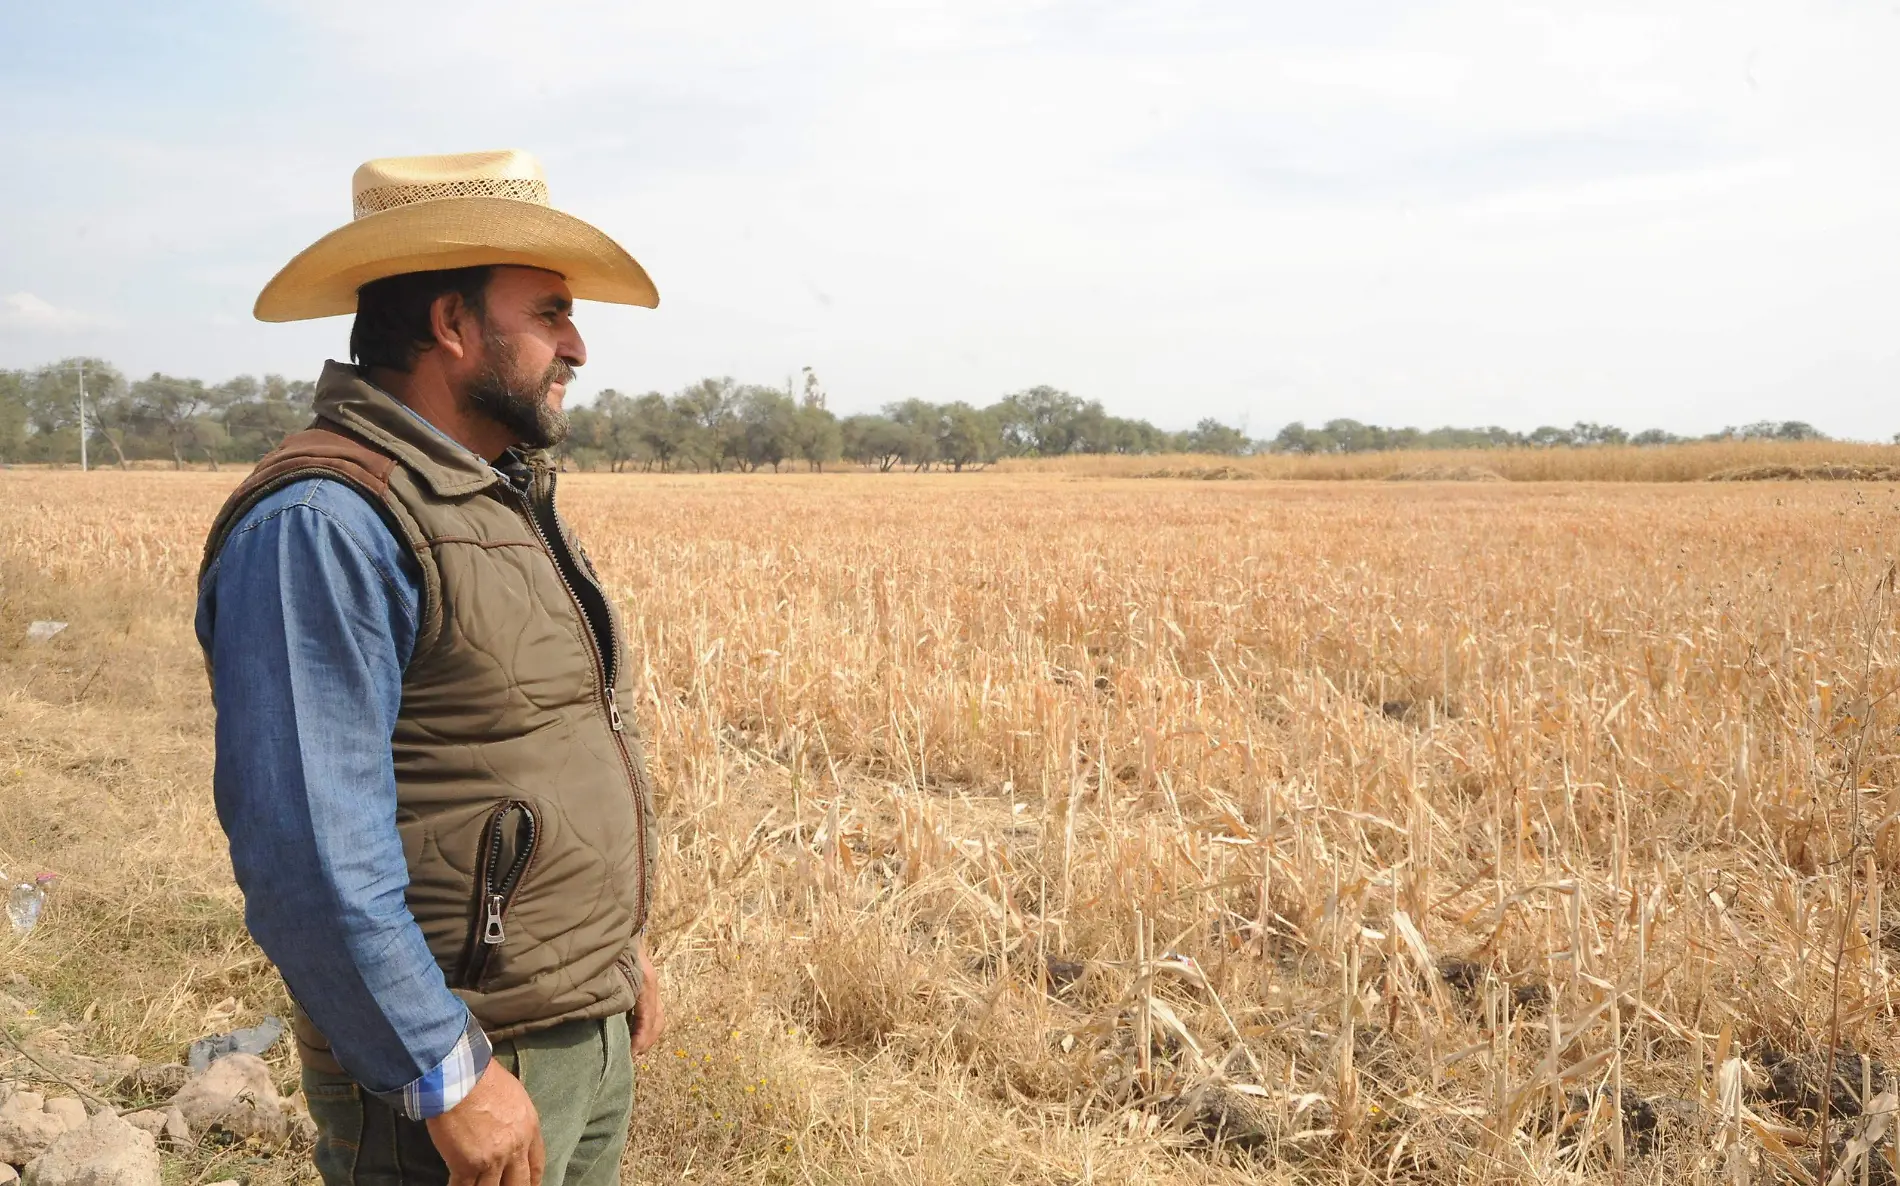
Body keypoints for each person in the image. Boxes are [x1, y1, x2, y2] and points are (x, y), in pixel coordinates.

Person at [194, 150, 665, 1186]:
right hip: (462, 1067)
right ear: (453, 326)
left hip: (574, 1030)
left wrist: (609, 958)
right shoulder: (325, 522)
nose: (577, 344)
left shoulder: (490, 497)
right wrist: (441, 1071)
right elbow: (308, 850)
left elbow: (522, 751)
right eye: (549, 311)